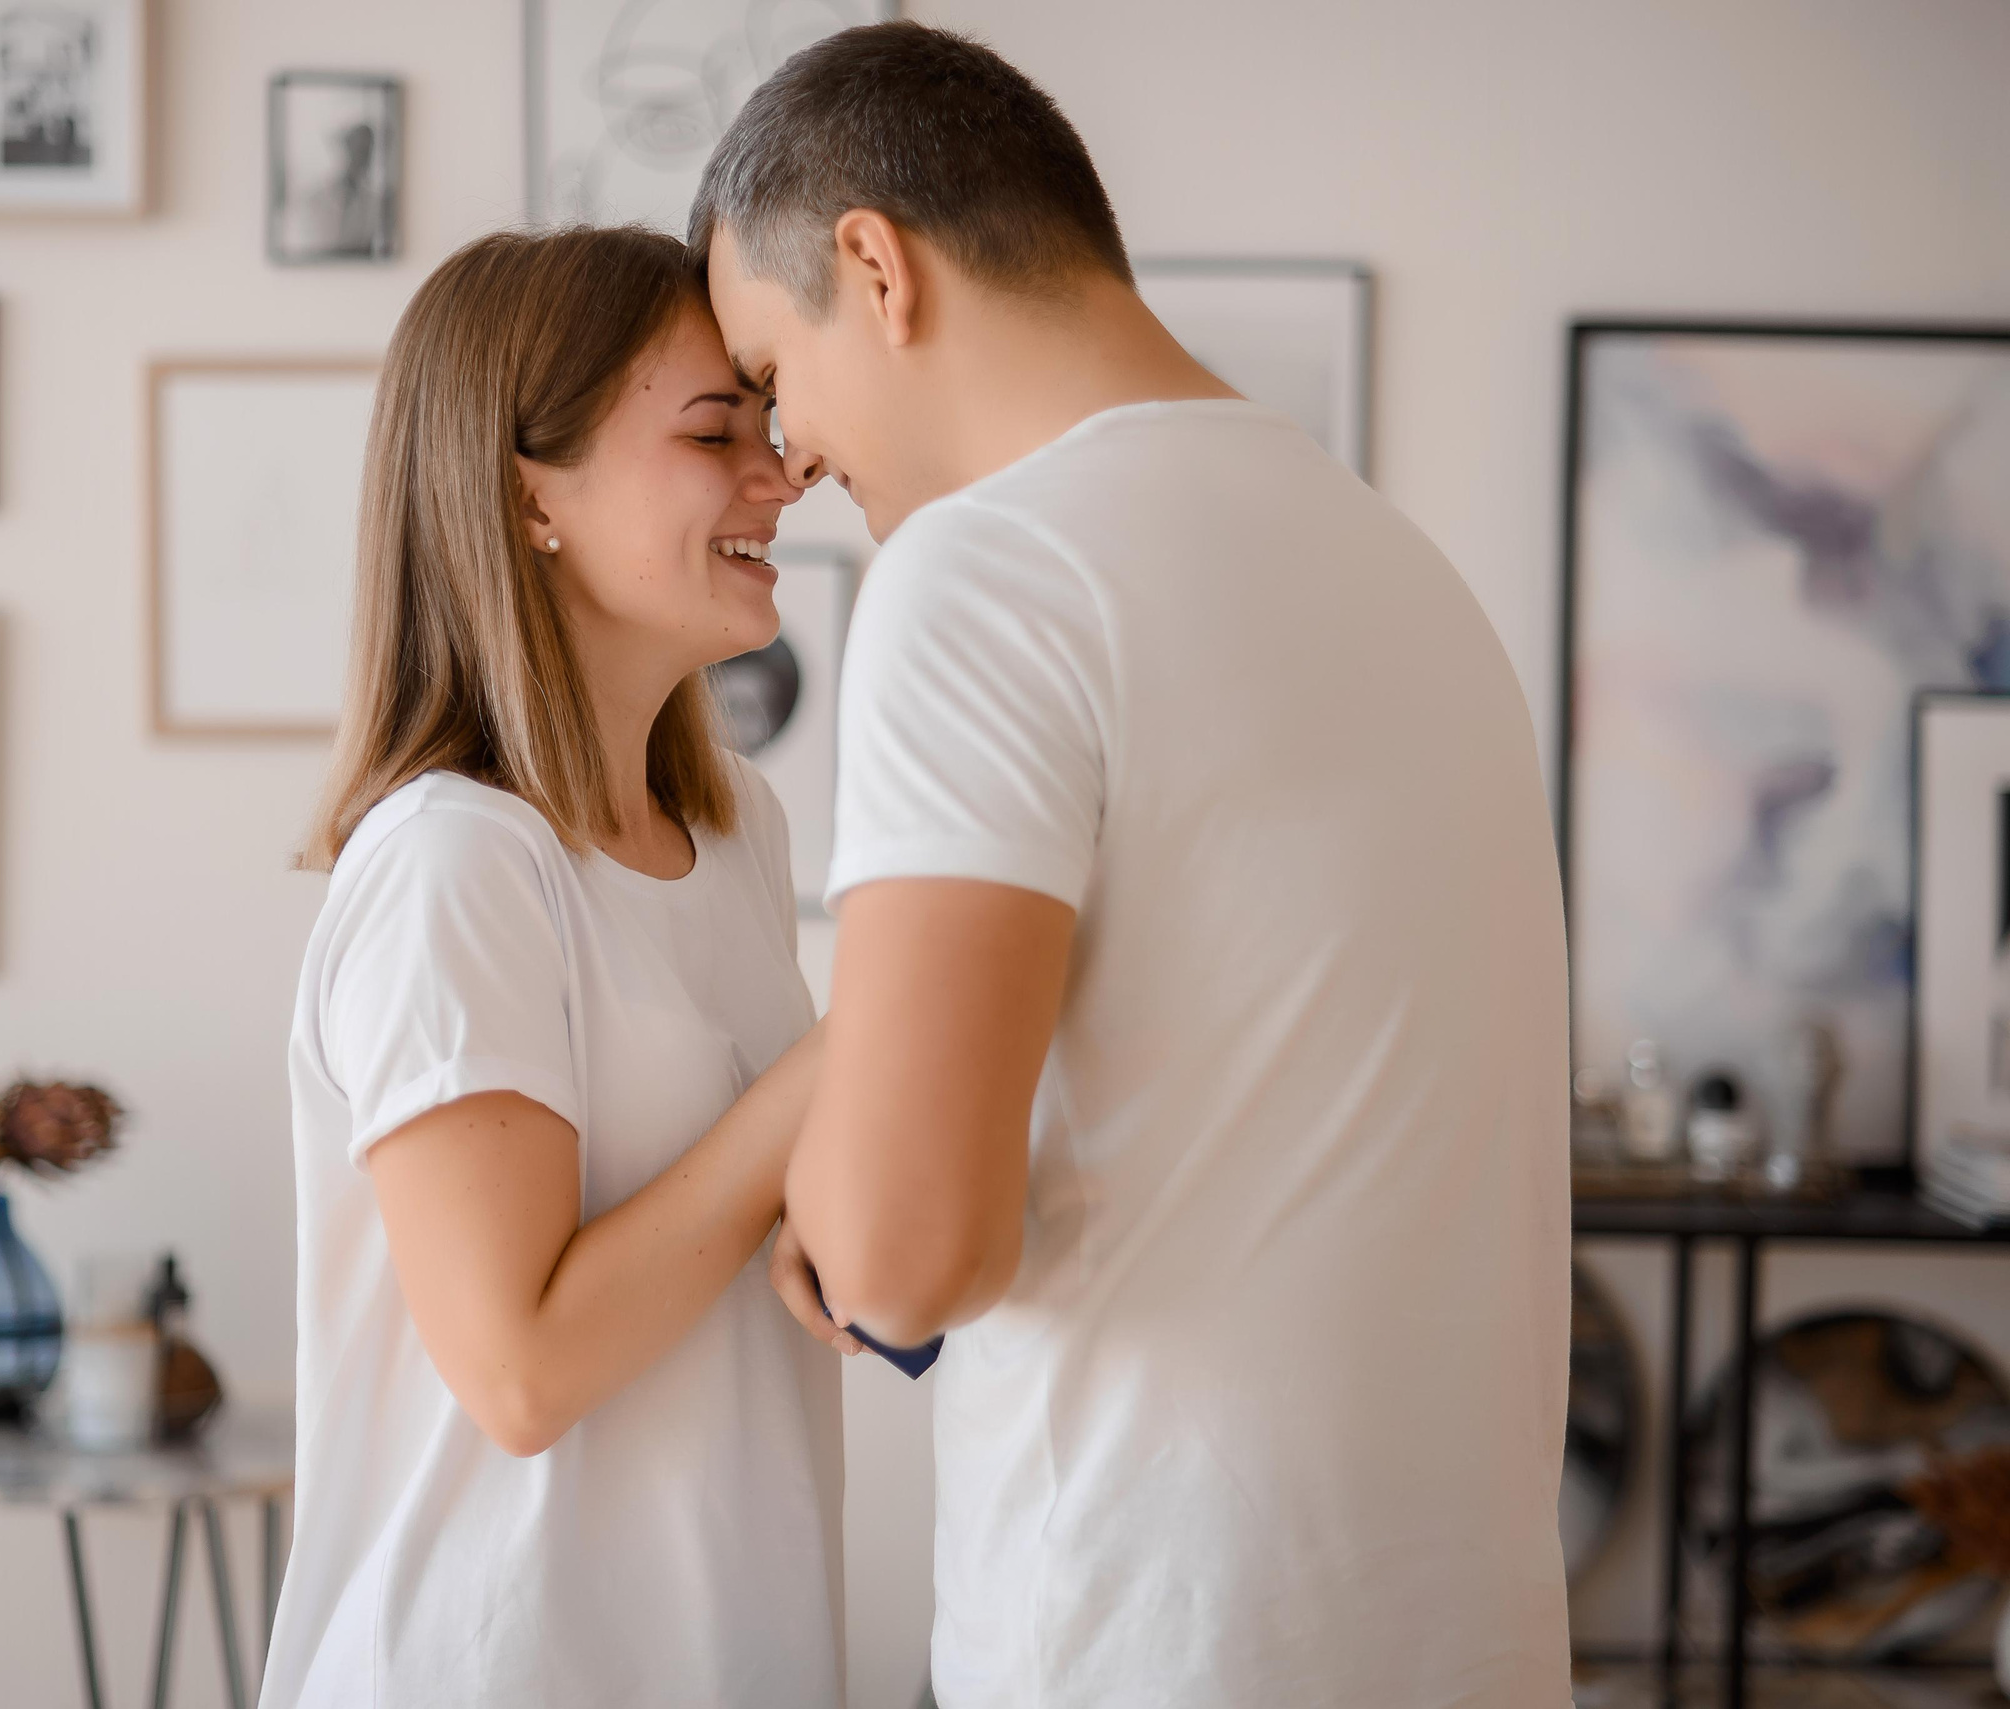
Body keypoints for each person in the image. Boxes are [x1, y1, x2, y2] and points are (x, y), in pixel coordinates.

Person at [693, 22, 1574, 1707]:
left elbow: (903, 1255)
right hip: (1466, 1636)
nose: (789, 460)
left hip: (1161, 1641)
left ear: (874, 265)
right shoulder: (1403, 571)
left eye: (774, 373)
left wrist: (832, 1190)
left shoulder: (984, 575)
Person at [260, 226, 849, 1709]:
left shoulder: (740, 838)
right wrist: (855, 1051)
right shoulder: (453, 862)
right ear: (531, 495)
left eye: (768, 430)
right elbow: (518, 1368)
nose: (778, 480)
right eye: (716, 432)